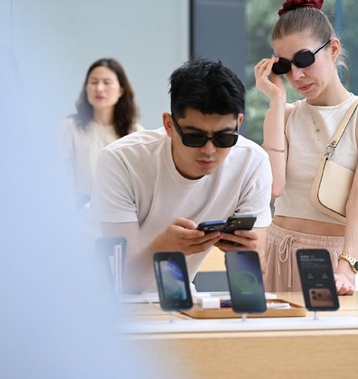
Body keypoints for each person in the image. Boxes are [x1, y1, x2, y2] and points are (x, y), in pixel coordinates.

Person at [90, 58, 273, 293]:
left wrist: (253, 257)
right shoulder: (121, 161)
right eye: (195, 137)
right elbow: (123, 283)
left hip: (174, 294)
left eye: (223, 137)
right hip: (93, 292)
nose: (209, 150)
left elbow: (251, 284)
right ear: (169, 125)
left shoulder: (252, 163)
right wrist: (164, 247)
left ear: (238, 124)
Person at [254, 0, 358, 295]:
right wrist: (276, 100)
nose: (297, 75)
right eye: (284, 66)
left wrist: (348, 265)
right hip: (275, 250)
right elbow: (274, 187)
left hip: (330, 259)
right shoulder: (284, 114)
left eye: (304, 59)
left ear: (333, 49)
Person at [56, 58, 143, 213]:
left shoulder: (136, 133)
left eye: (107, 82)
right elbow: (59, 180)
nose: (99, 88)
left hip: (122, 214)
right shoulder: (69, 128)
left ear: (121, 90)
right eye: (94, 82)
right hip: (78, 215)